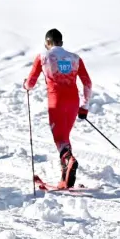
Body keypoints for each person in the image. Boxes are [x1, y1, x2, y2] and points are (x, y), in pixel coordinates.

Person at [24, 29, 92, 188]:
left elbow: (31, 83)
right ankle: (65, 177)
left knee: (59, 138)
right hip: (73, 101)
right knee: (65, 136)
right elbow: (87, 83)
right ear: (61, 42)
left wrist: (25, 85)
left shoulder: (43, 57)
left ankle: (69, 160)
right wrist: (84, 106)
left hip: (57, 101)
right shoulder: (75, 58)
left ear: (47, 43)